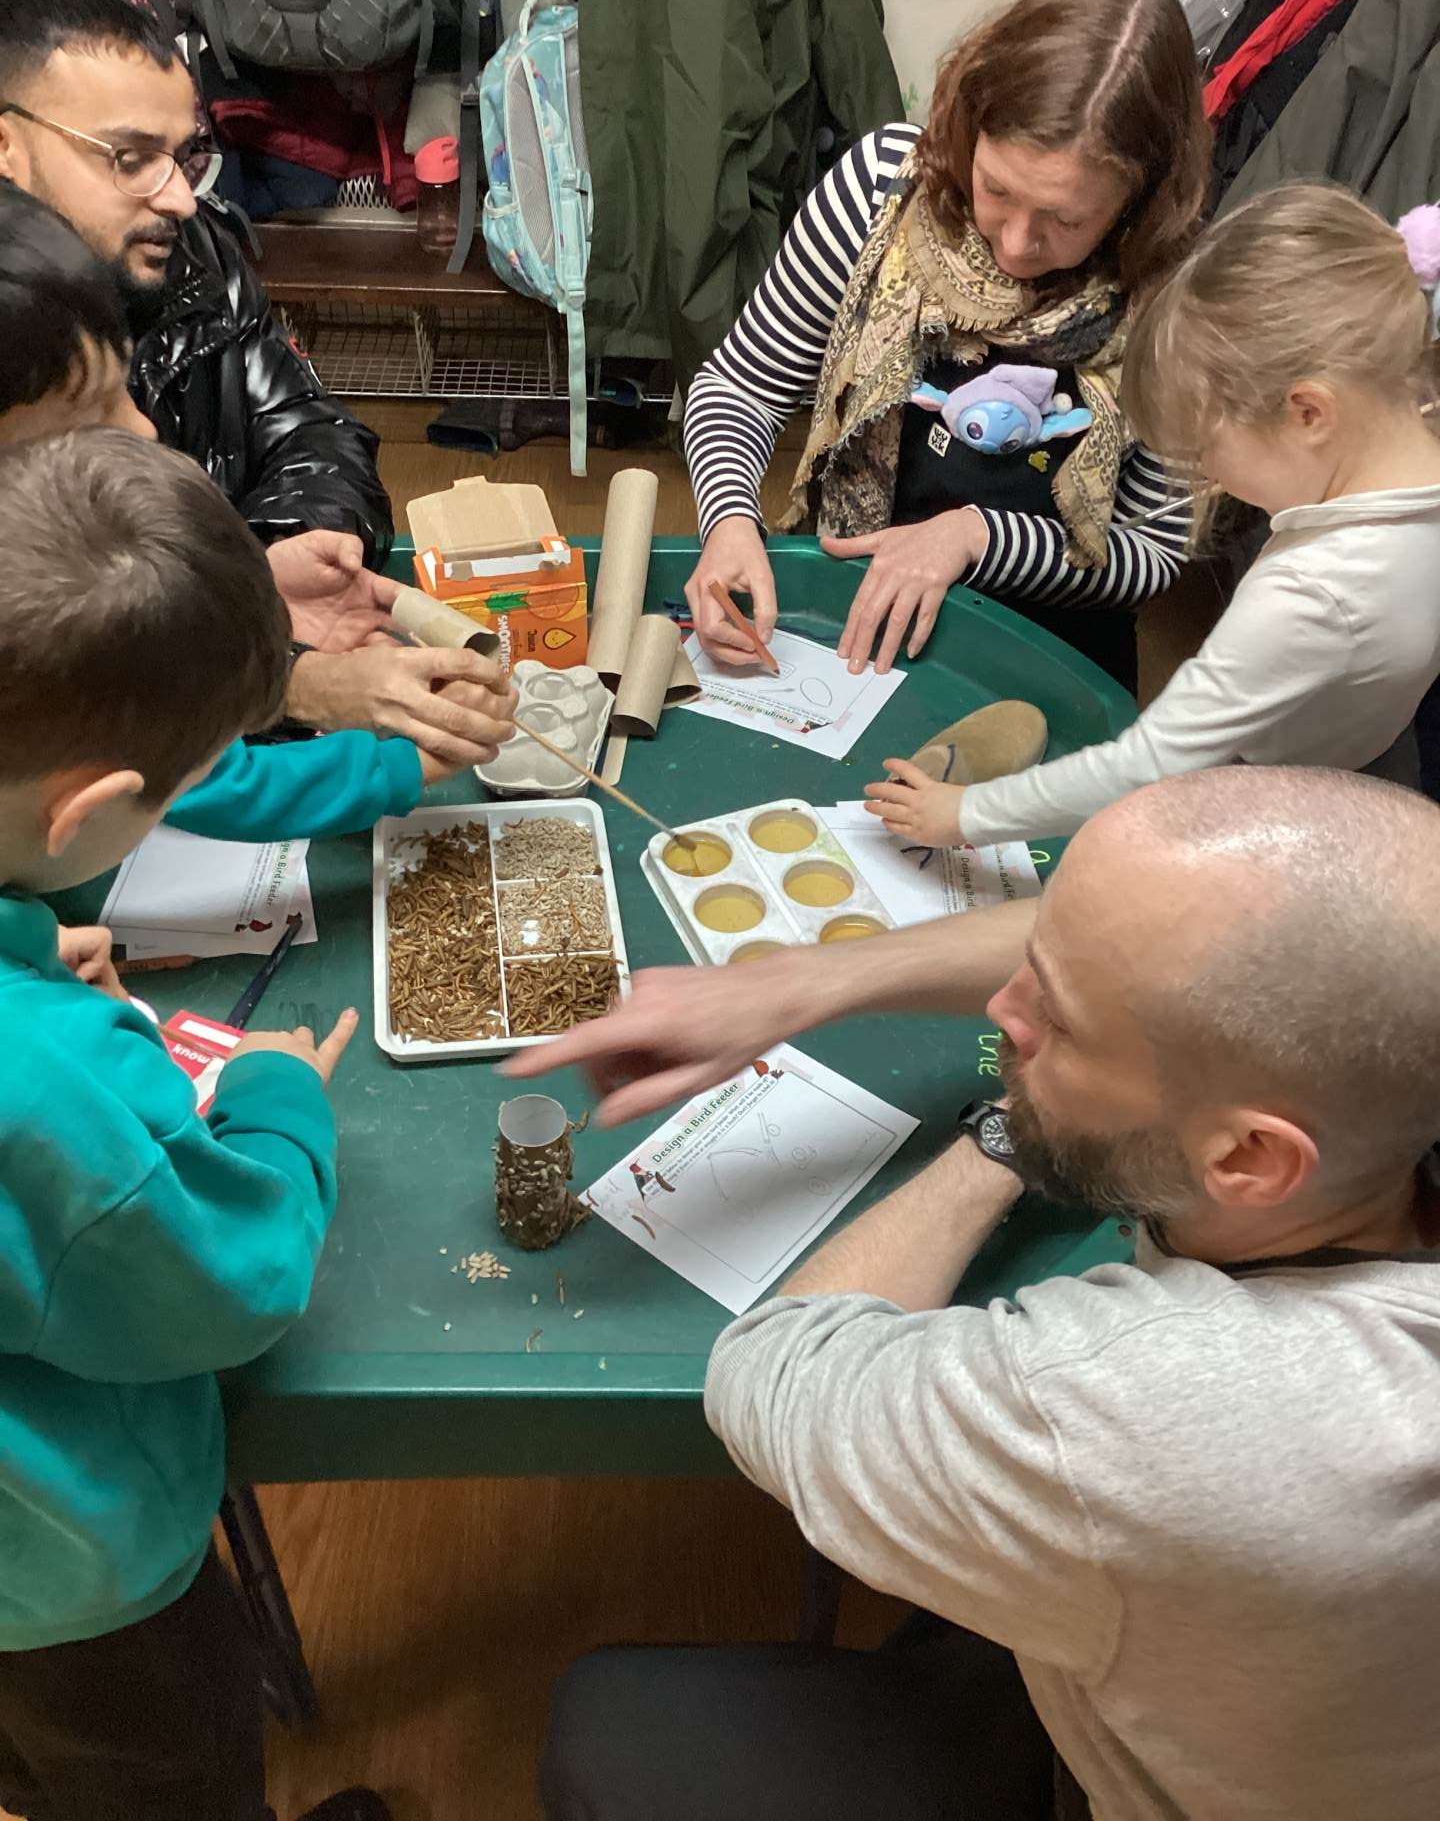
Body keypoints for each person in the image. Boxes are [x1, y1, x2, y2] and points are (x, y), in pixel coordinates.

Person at [536, 764, 1440, 1820]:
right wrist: (795, 982)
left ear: (1247, 1158)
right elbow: (1128, 949)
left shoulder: (1160, 1415)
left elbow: (780, 1371)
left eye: (1058, 1024)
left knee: (614, 1724)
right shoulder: (1385, 1074)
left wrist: (1010, 1134)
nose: (1005, 1010)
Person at [0, 431, 435, 1819]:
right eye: (181, 791)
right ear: (89, 811)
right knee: (158, 1782)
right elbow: (228, 1281)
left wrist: (26, 952)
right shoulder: (51, 1083)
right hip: (68, 1586)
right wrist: (277, 1096)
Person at [0, 0, 499, 767]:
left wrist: (268, 569)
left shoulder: (194, 256)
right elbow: (51, 690)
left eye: (183, 157)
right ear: (7, 149)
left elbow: (315, 432)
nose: (180, 198)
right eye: (132, 158)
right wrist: (280, 672)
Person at [683, 0, 1209, 692]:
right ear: (970, 127)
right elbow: (738, 388)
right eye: (996, 189)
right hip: (850, 623)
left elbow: (1152, 551)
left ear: (1138, 201)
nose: (1016, 244)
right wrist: (730, 522)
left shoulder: (1175, 290)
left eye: (1064, 221)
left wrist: (977, 537)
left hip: (1049, 656)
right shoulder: (881, 190)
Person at [867, 184, 1440, 850]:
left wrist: (964, 814)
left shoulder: (1310, 595)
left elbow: (1147, 764)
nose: (1203, 476)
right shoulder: (1415, 429)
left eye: (1203, 448)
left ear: (1309, 413)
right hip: (1374, 751)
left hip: (1279, 811)